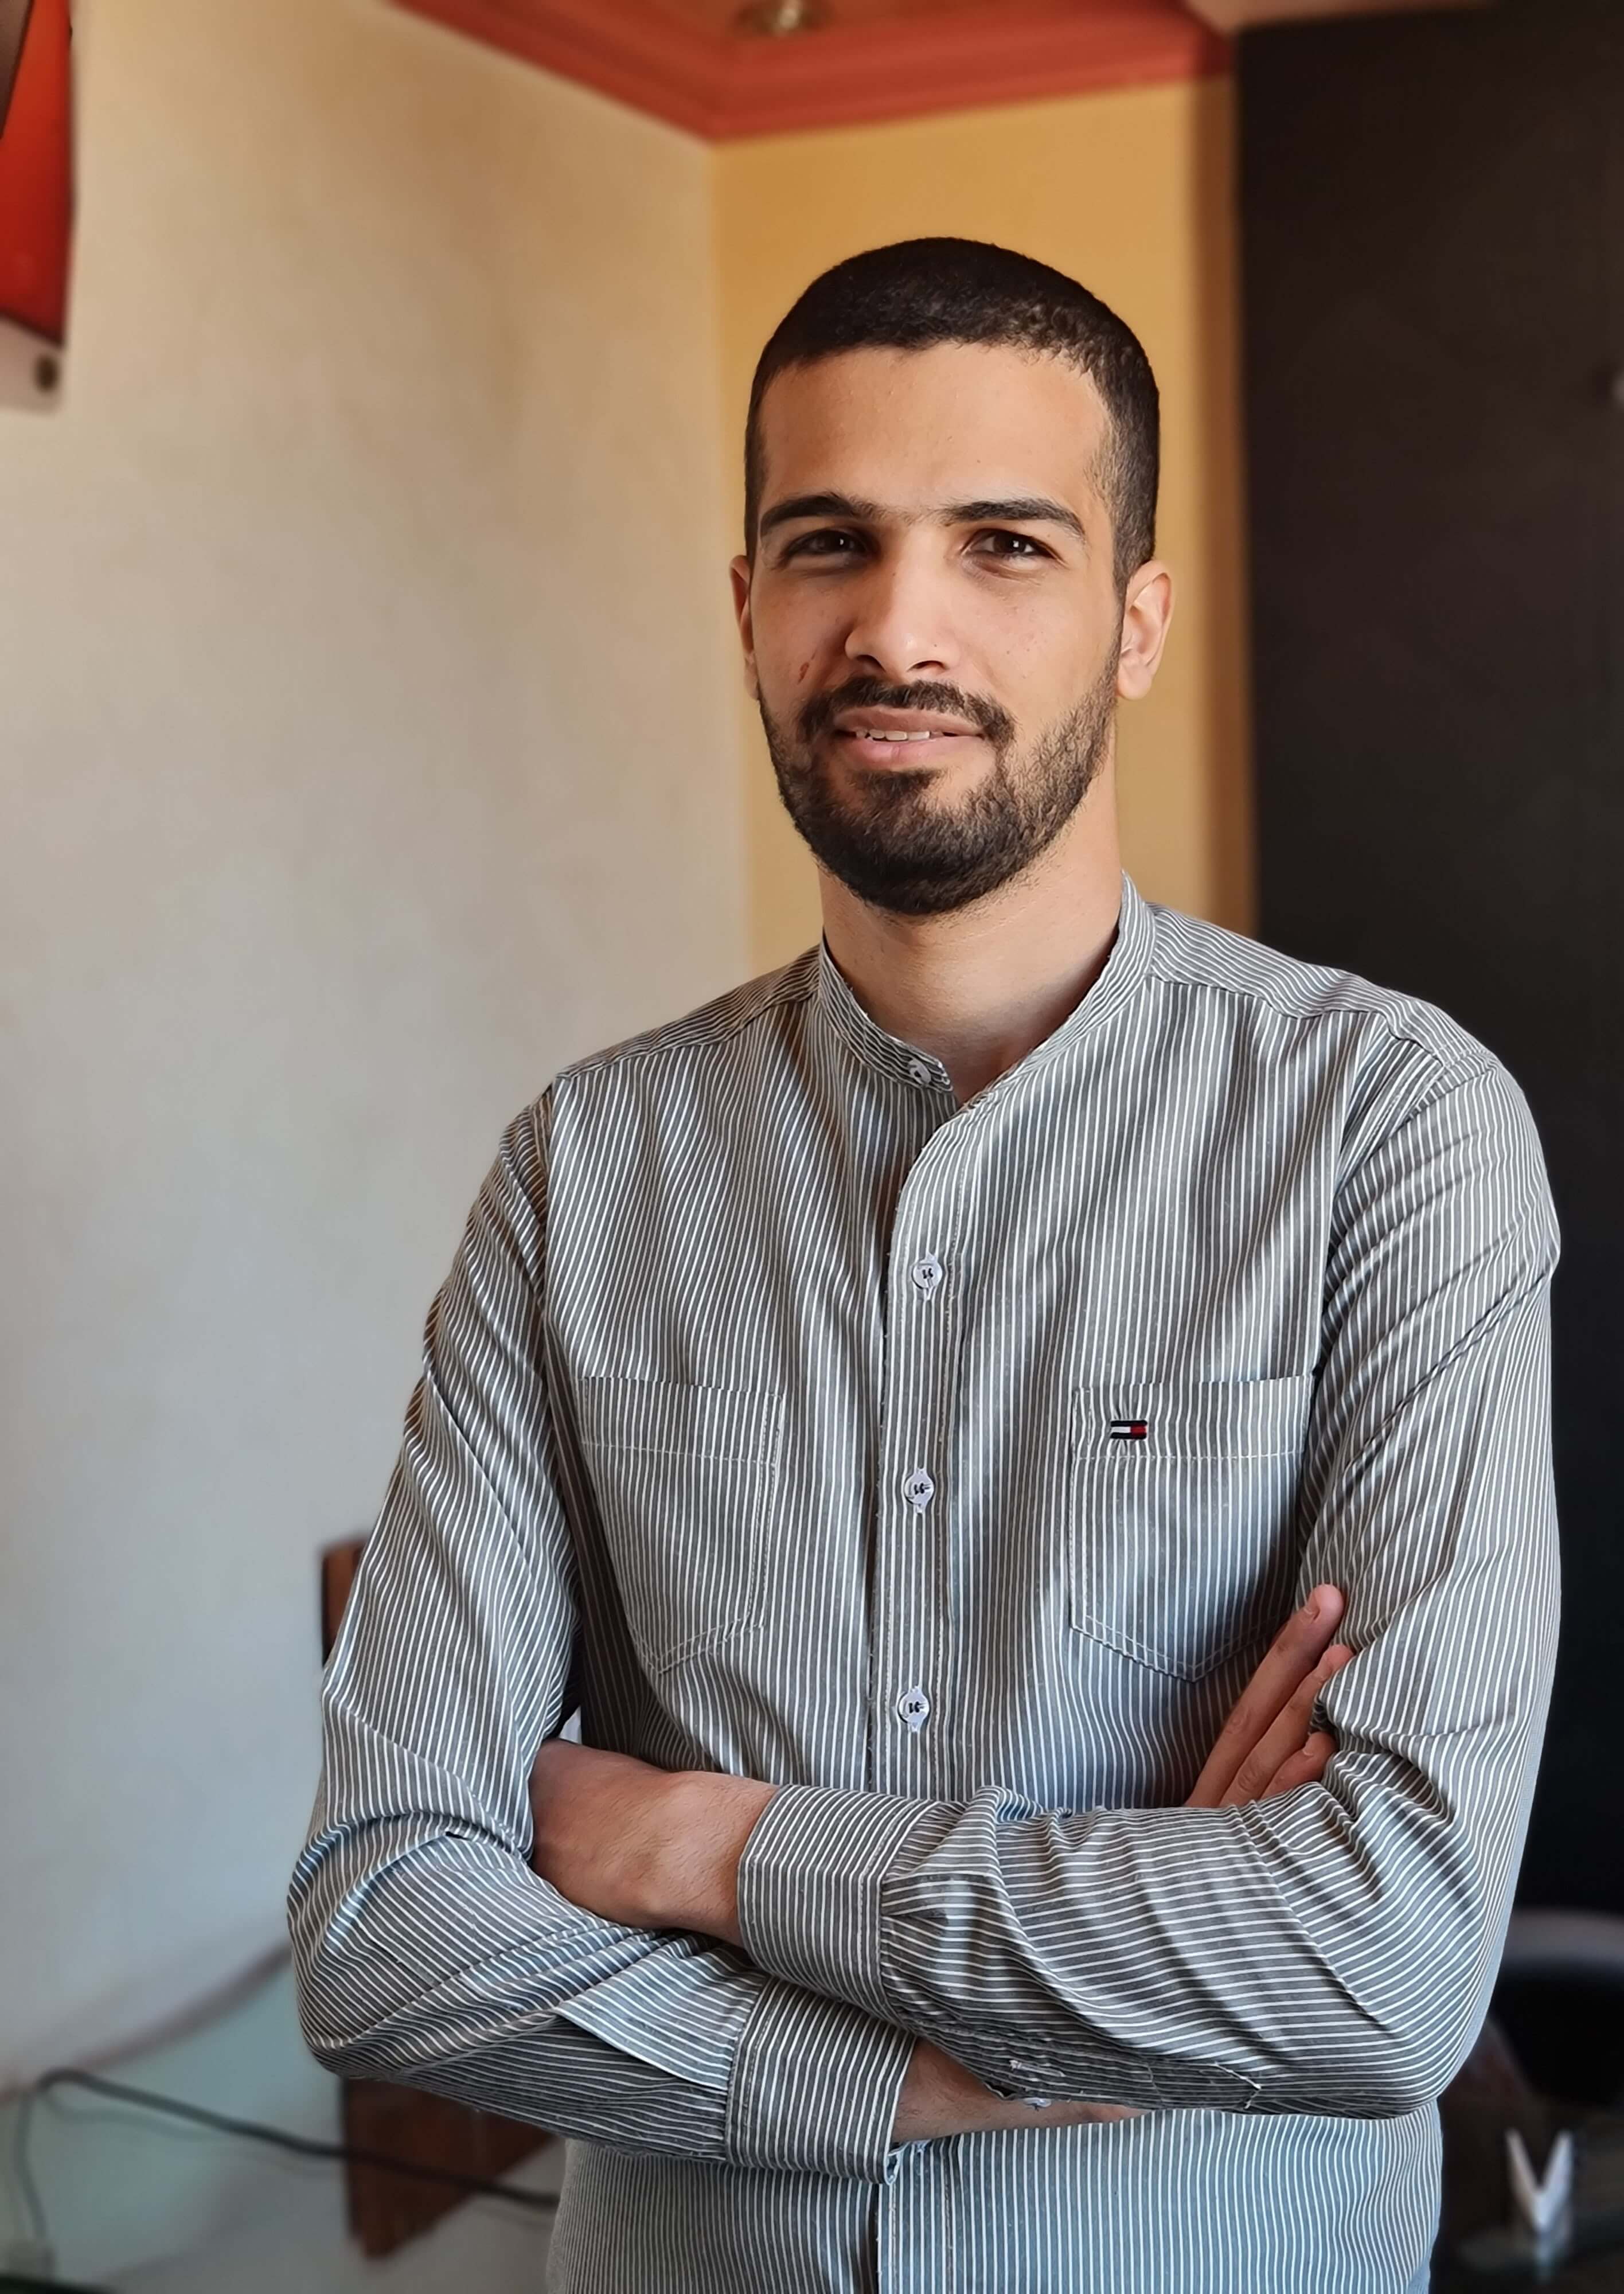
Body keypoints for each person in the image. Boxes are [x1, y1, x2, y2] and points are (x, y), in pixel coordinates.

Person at [288, 239, 1560, 2294]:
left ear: (1138, 618)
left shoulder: (1391, 1132)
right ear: (747, 609)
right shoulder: (582, 1170)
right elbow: (382, 1935)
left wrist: (706, 1850)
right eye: (829, 545)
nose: (900, 624)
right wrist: (941, 2073)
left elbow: (1377, 1964)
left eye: (1003, 545)